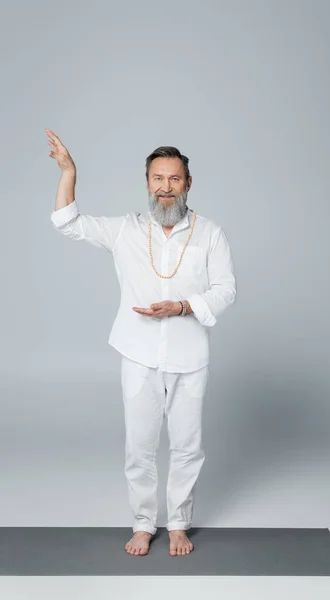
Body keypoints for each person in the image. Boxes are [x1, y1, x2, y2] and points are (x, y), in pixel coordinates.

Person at [46, 128, 237, 557]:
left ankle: (179, 525)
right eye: (157, 178)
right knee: (140, 445)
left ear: (188, 184)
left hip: (190, 356)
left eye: (173, 179)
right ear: (147, 183)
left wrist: (184, 307)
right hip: (137, 352)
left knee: (188, 446)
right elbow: (67, 222)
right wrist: (69, 172)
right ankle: (143, 522)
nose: (165, 187)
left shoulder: (210, 233)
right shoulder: (125, 230)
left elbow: (226, 289)